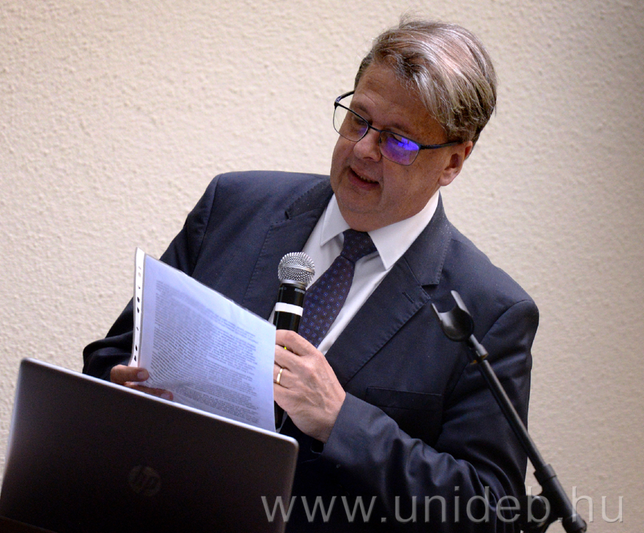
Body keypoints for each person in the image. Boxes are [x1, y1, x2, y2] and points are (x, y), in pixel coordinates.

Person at [83, 17, 538, 532]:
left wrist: (343, 420)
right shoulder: (232, 206)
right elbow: (109, 356)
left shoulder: (490, 312)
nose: (364, 148)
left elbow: (488, 510)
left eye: (398, 141)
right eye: (358, 119)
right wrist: (119, 386)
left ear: (453, 161)